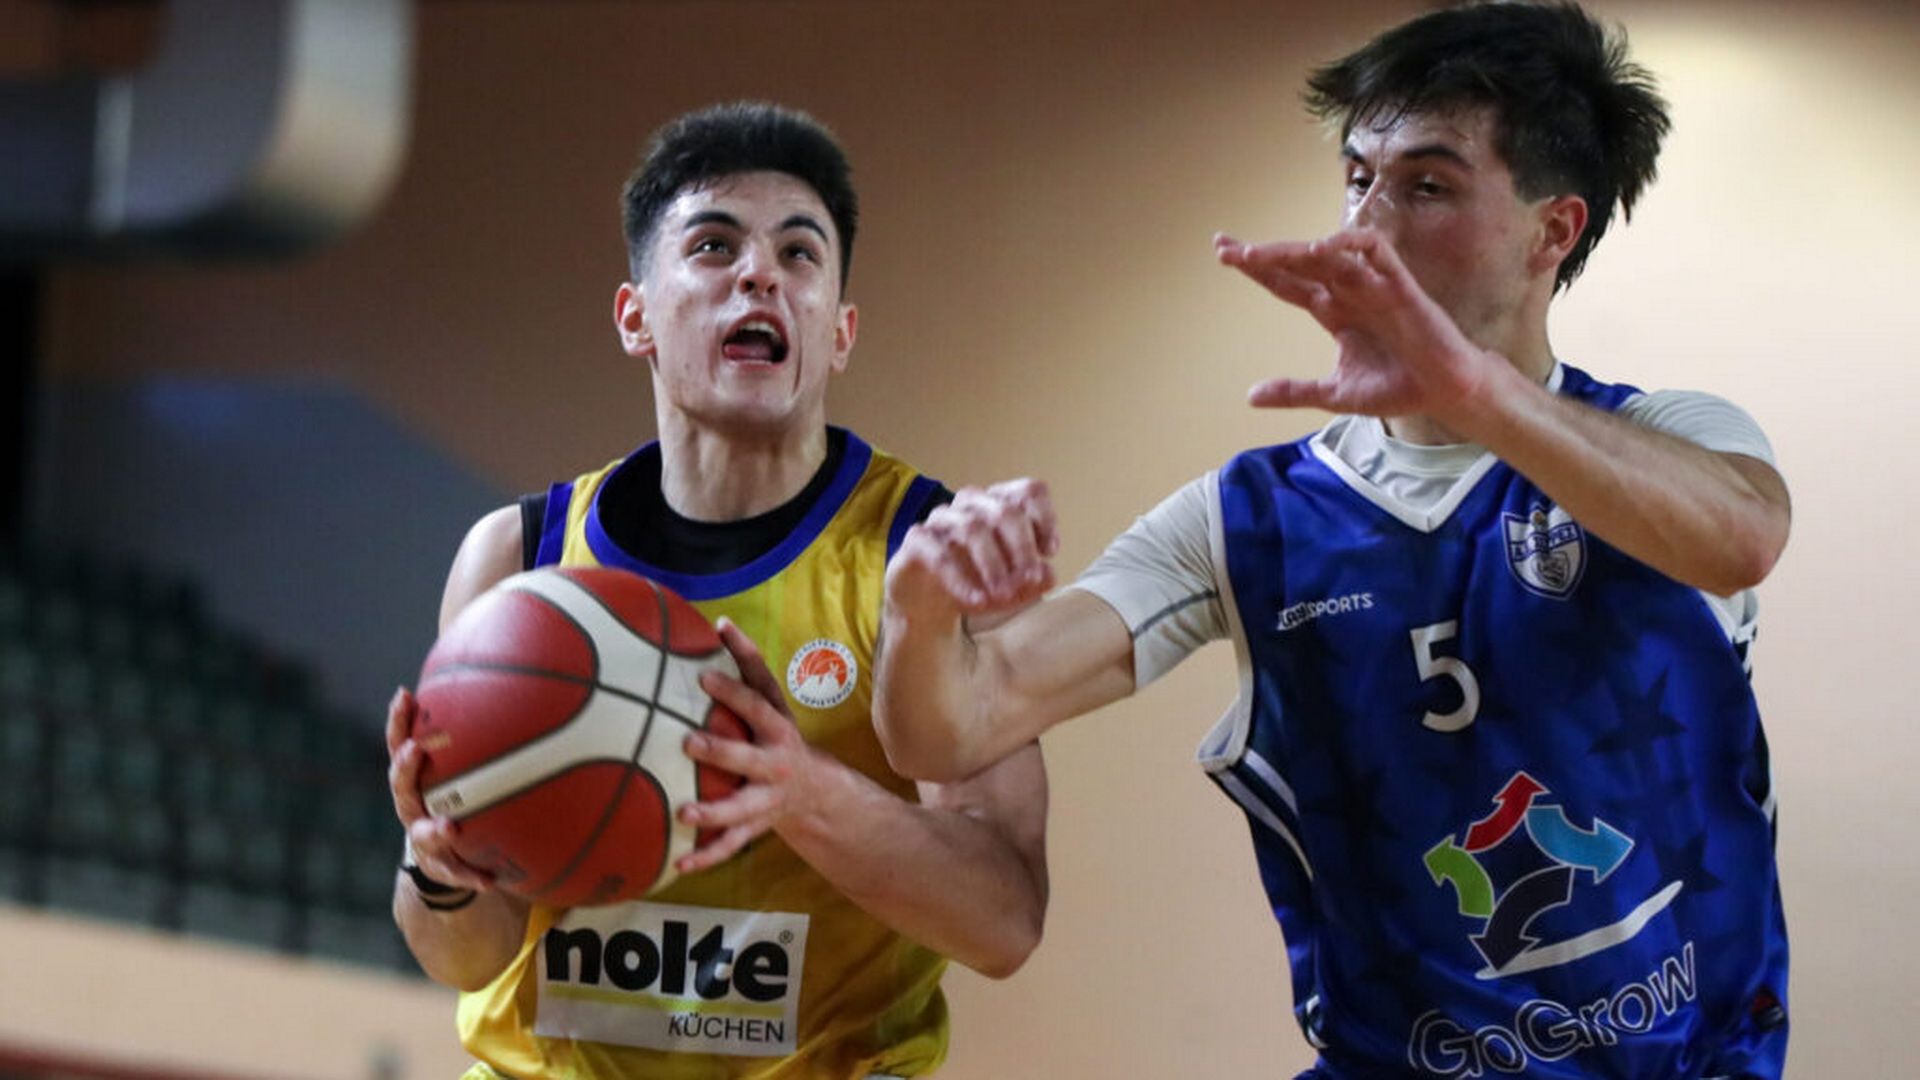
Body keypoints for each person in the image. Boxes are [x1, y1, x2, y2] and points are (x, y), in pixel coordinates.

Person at [872, 4, 1790, 1077]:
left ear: (1553, 231)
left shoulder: (1669, 436)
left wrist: (1477, 393)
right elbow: (953, 730)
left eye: (1427, 185)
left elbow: (1742, 538)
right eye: (1357, 178)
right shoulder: (1248, 517)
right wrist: (919, 608)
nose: (1365, 226)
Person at [384, 102, 1049, 1080]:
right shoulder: (518, 560)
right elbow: (466, 957)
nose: (760, 274)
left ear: (840, 333)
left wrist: (799, 791)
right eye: (714, 246)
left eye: (800, 253)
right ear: (635, 317)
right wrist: (439, 868)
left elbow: (1004, 922)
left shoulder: (923, 557)